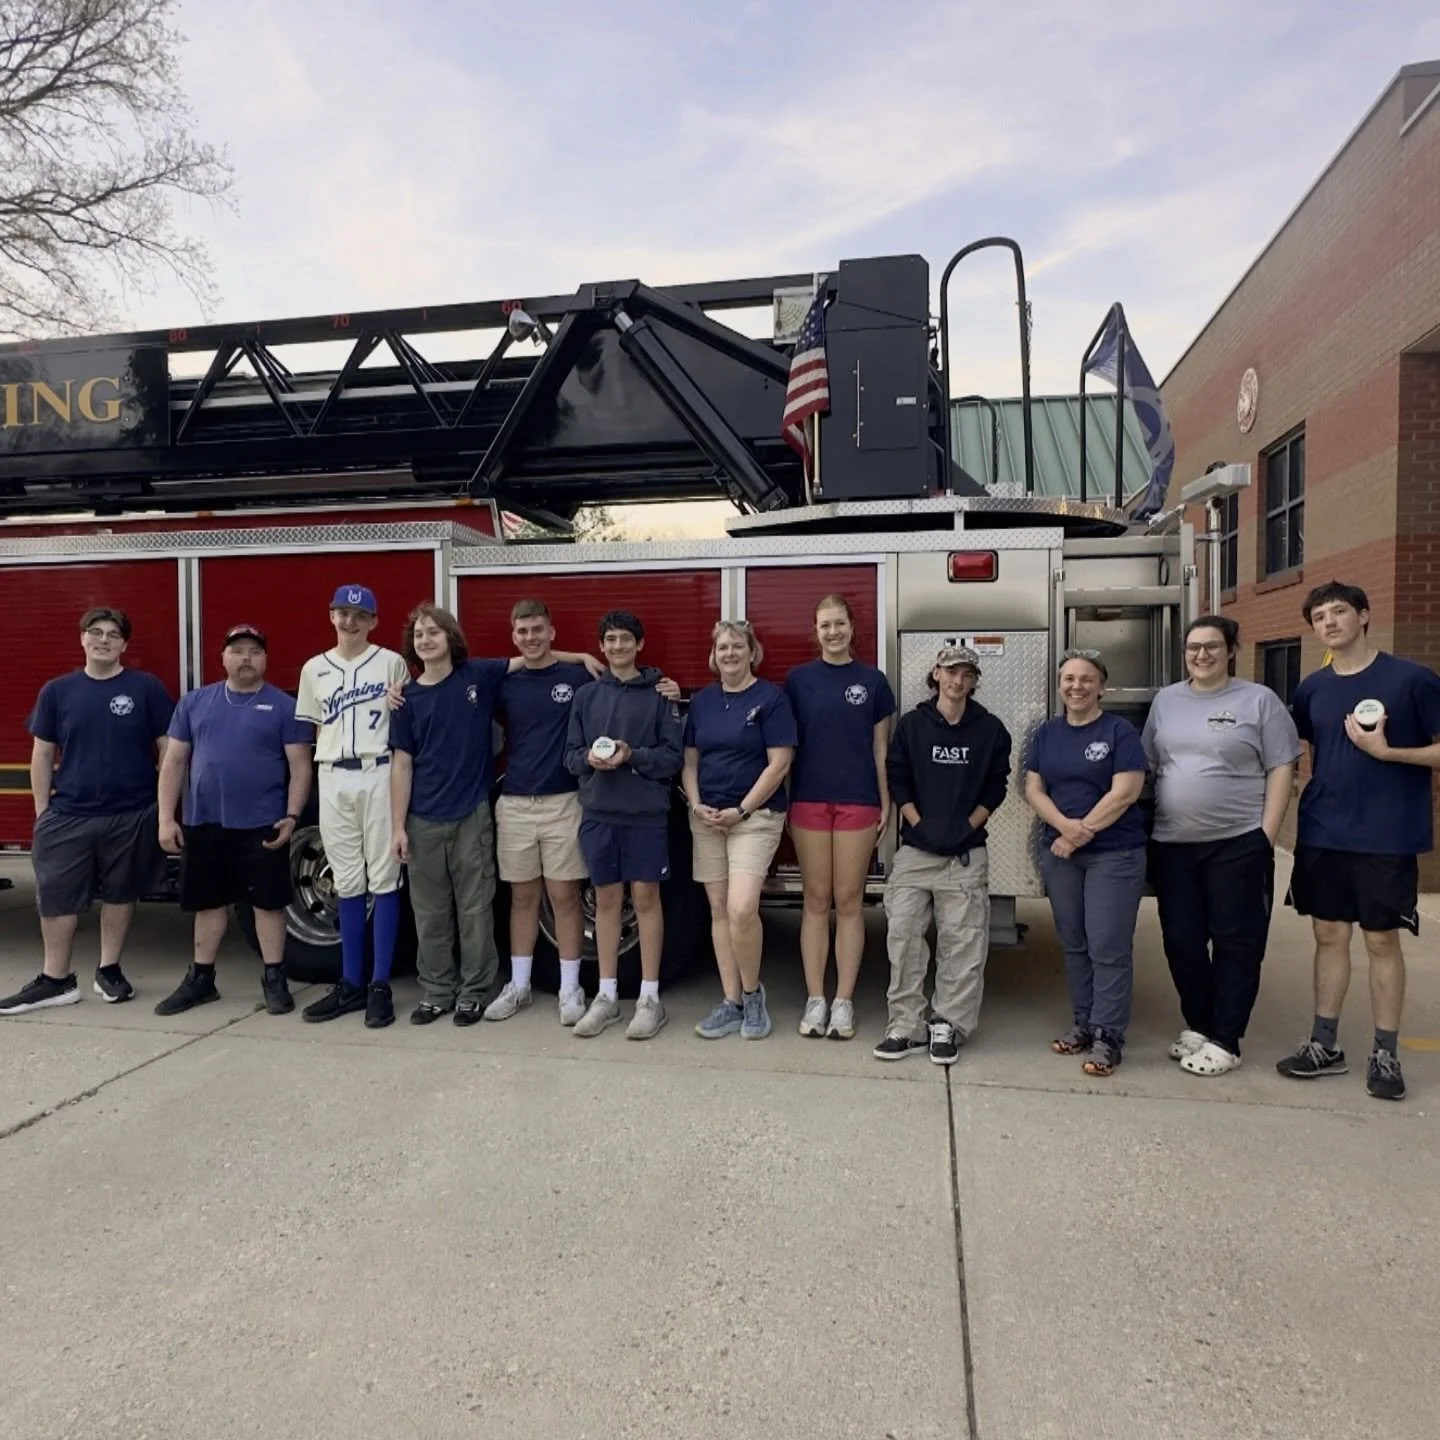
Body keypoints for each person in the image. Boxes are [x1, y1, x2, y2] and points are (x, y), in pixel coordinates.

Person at [388, 605, 599, 1026]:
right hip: (472, 810)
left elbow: (547, 661)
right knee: (447, 908)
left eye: (435, 633)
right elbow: (401, 763)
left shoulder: (480, 675)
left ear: (451, 637)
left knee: (501, 905)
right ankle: (461, 989)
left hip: (500, 809)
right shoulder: (410, 697)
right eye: (419, 635)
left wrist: (582, 657)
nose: (426, 640)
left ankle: (513, 990)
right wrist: (397, 826)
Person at [1276, 581, 1440, 1101]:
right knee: (1328, 937)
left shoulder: (1411, 680)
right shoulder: (1313, 689)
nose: (1329, 621)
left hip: (1386, 834)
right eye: (1320, 615)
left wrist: (1389, 753)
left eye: (1339, 611)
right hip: (1324, 830)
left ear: (1364, 616)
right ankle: (1325, 1044)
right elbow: (1304, 750)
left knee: (1380, 941)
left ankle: (1385, 1053)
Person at [1143, 615, 1298, 1077]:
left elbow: (1282, 768)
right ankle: (1200, 1024)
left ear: (1231, 649)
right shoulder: (1166, 701)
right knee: (1182, 942)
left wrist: (1264, 837)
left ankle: (1227, 1039)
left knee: (1236, 942)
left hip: (1237, 843)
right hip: (1173, 844)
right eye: (1193, 647)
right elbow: (1151, 765)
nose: (1202, 655)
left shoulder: (1259, 701)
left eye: (1212, 646)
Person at [1, 608, 173, 1015]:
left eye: (113, 634)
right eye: (96, 632)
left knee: (120, 892)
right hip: (69, 813)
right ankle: (55, 979)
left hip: (131, 812)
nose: (104, 640)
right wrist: (43, 812)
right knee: (57, 896)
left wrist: (162, 805)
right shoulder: (58, 691)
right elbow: (42, 753)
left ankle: (108, 969)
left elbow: (169, 747)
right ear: (82, 639)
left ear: (124, 645)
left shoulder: (145, 688)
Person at [152, 624, 314, 1016]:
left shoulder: (283, 706)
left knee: (268, 905)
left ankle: (274, 977)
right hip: (205, 822)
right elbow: (173, 762)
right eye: (237, 650)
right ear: (222, 658)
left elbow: (300, 767)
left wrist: (292, 816)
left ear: (265, 660)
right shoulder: (194, 703)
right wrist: (166, 819)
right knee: (208, 905)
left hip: (263, 824)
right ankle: (201, 979)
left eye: (254, 651)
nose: (246, 658)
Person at [876, 644, 1011, 1065]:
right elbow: (897, 777)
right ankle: (906, 1024)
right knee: (903, 939)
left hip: (965, 857)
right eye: (950, 672)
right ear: (936, 674)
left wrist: (968, 825)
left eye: (966, 674)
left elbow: (996, 785)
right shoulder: (914, 725)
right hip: (916, 853)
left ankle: (947, 1025)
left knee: (963, 943)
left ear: (974, 681)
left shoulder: (990, 730)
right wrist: (918, 822)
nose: (957, 680)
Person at [1024, 649, 1148, 1076]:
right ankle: (1083, 1024)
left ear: (1102, 686)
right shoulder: (1047, 733)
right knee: (1074, 943)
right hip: (1062, 854)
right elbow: (1034, 789)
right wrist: (1064, 829)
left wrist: (1081, 833)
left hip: (1113, 854)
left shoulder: (1119, 732)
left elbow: (1126, 792)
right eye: (1068, 679)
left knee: (1107, 947)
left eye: (1085, 679)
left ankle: (1108, 1036)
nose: (1076, 686)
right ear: (1059, 685)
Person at [293, 584, 411, 1029]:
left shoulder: (391, 662)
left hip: (379, 770)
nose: (350, 621)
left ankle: (380, 983)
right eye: (343, 613)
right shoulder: (313, 669)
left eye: (359, 615)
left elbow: (404, 719)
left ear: (374, 621)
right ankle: (351, 983)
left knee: (384, 878)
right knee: (346, 881)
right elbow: (311, 732)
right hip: (333, 774)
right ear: (331, 616)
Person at [564, 610, 685, 1040]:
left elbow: (672, 758)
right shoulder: (586, 697)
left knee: (647, 898)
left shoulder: (659, 694)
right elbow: (571, 756)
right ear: (601, 647)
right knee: (606, 901)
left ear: (640, 644)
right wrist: (591, 761)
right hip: (599, 814)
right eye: (610, 640)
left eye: (625, 639)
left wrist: (633, 755)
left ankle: (650, 998)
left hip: (645, 816)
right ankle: (607, 996)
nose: (617, 647)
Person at [784, 594, 895, 1041]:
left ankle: (844, 1001)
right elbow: (785, 750)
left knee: (849, 901)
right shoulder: (797, 681)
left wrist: (884, 799)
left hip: (858, 801)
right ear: (816, 631)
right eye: (824, 625)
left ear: (853, 627)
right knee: (815, 900)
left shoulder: (873, 682)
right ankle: (816, 999)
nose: (832, 632)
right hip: (809, 800)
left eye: (839, 624)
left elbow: (880, 749)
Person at [484, 599, 596, 1027]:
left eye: (537, 629)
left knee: (565, 897)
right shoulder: (504, 682)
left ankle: (570, 989)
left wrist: (581, 656)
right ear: (514, 637)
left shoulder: (577, 674)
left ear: (552, 630)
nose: (530, 638)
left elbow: (620, 677)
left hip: (564, 802)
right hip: (513, 803)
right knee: (522, 899)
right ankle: (520, 986)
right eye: (522, 631)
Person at [683, 620, 796, 1040]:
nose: (729, 653)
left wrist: (742, 810)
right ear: (714, 655)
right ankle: (730, 1002)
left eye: (737, 646)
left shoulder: (771, 698)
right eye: (722, 647)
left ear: (752, 652)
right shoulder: (703, 702)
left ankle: (752, 996)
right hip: (707, 818)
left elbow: (779, 763)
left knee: (742, 908)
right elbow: (690, 760)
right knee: (717, 910)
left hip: (755, 818)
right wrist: (695, 804)